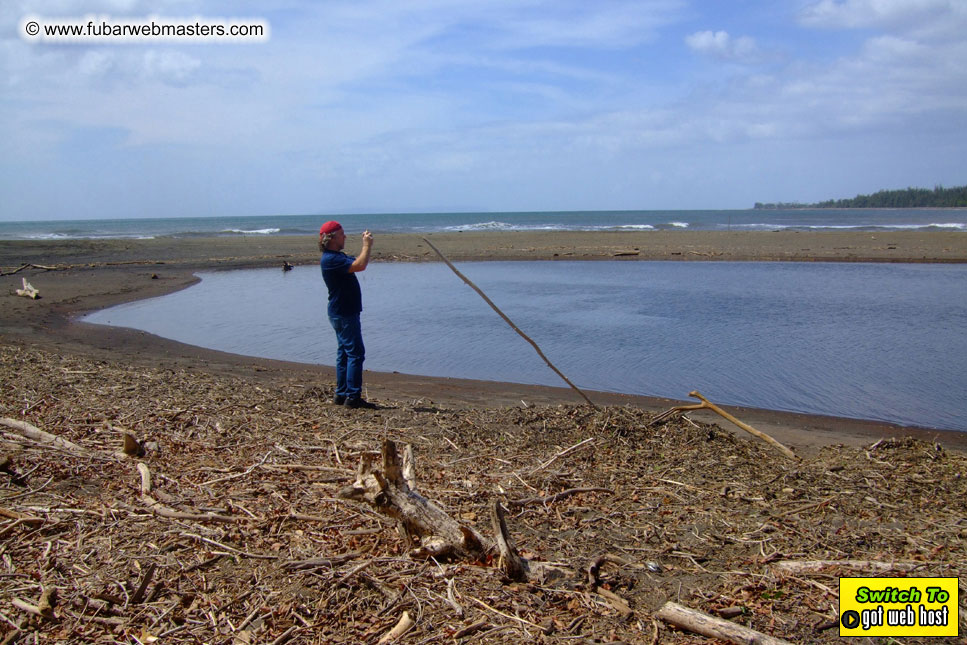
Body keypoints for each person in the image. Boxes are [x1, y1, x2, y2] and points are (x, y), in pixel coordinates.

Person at [319, 221, 377, 409]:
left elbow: (357, 262)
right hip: (344, 313)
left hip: (341, 312)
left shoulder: (334, 257)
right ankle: (352, 397)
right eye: (342, 234)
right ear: (332, 238)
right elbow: (360, 265)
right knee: (355, 353)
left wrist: (365, 247)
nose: (345, 237)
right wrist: (367, 245)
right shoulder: (331, 259)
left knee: (344, 353)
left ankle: (342, 394)